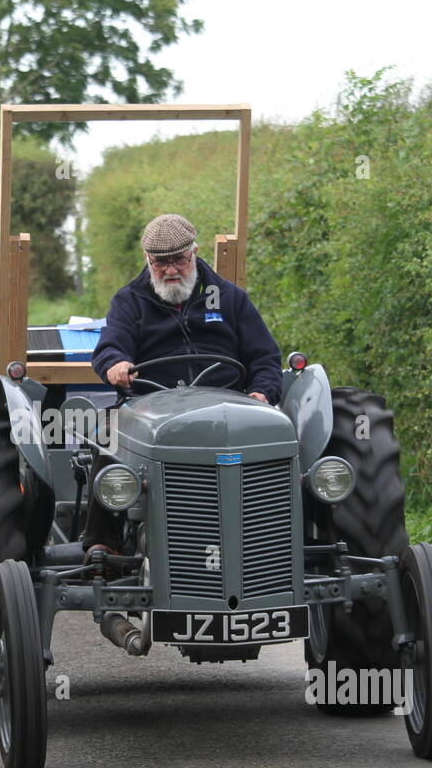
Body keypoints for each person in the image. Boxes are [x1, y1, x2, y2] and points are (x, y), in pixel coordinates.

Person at [82, 213, 284, 559]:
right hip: (151, 404)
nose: (170, 270)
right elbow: (110, 346)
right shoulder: (130, 301)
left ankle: (278, 537)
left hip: (229, 406)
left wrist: (261, 394)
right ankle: (105, 543)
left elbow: (265, 358)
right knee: (109, 437)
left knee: (278, 439)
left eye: (178, 259)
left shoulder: (230, 298)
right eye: (161, 263)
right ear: (148, 261)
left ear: (194, 252)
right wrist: (115, 364)